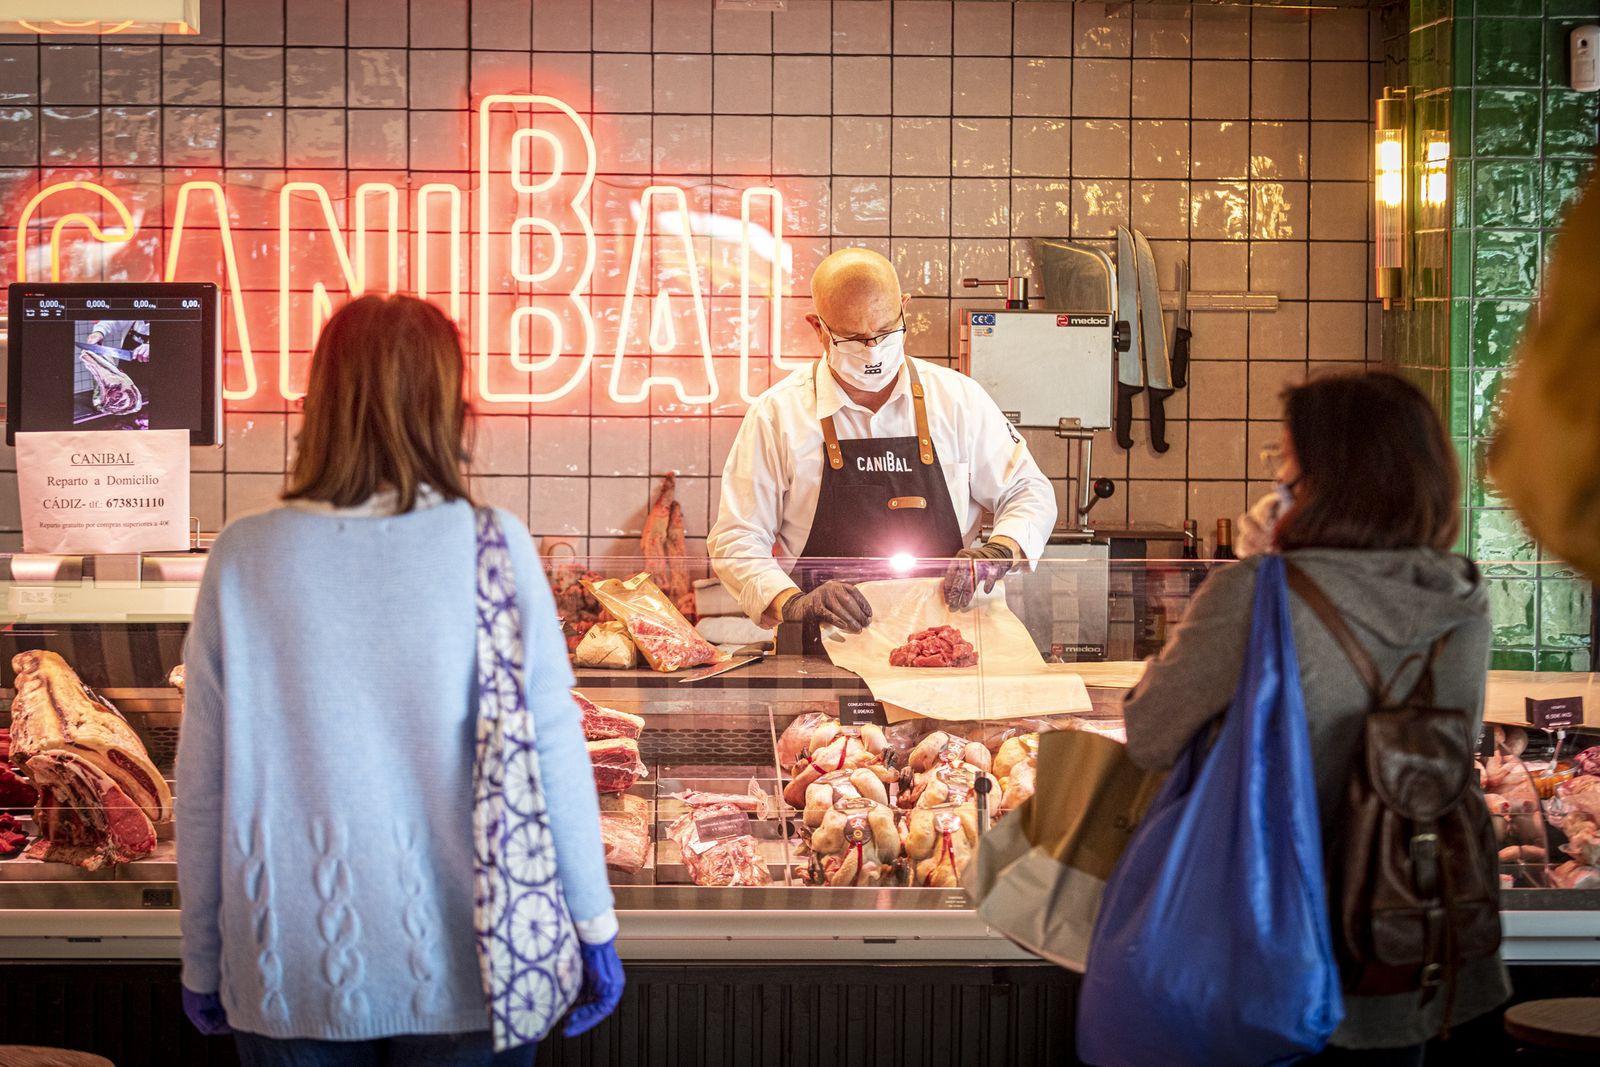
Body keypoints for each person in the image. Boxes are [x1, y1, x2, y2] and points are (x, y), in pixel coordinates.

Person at [176, 295, 623, 1066]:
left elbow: (204, 784)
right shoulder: (494, 545)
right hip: (471, 967)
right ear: (451, 410)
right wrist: (594, 927)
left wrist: (203, 956)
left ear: (319, 406)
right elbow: (555, 756)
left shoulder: (243, 556)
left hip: (287, 973)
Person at [1120, 372, 1510, 1064]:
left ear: (1329, 477)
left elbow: (1150, 733)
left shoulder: (1257, 591)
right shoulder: (1464, 595)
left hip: (1271, 946)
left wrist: (1256, 569)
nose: (1277, 474)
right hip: (1401, 936)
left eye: (1286, 458)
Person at [707, 247, 1057, 634]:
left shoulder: (958, 400)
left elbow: (1028, 490)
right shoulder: (777, 415)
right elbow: (736, 537)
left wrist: (999, 550)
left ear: (904, 308)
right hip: (824, 646)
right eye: (854, 338)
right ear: (818, 328)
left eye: (886, 331)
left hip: (946, 642)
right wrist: (792, 602)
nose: (873, 349)